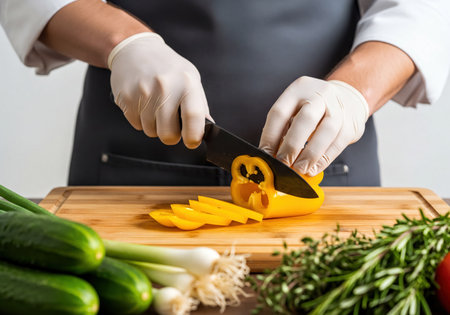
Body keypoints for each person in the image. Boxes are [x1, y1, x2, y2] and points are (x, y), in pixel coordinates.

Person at [1, 0, 449, 187]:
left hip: (329, 171)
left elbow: (419, 6)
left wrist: (352, 93)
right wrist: (124, 43)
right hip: (126, 172)